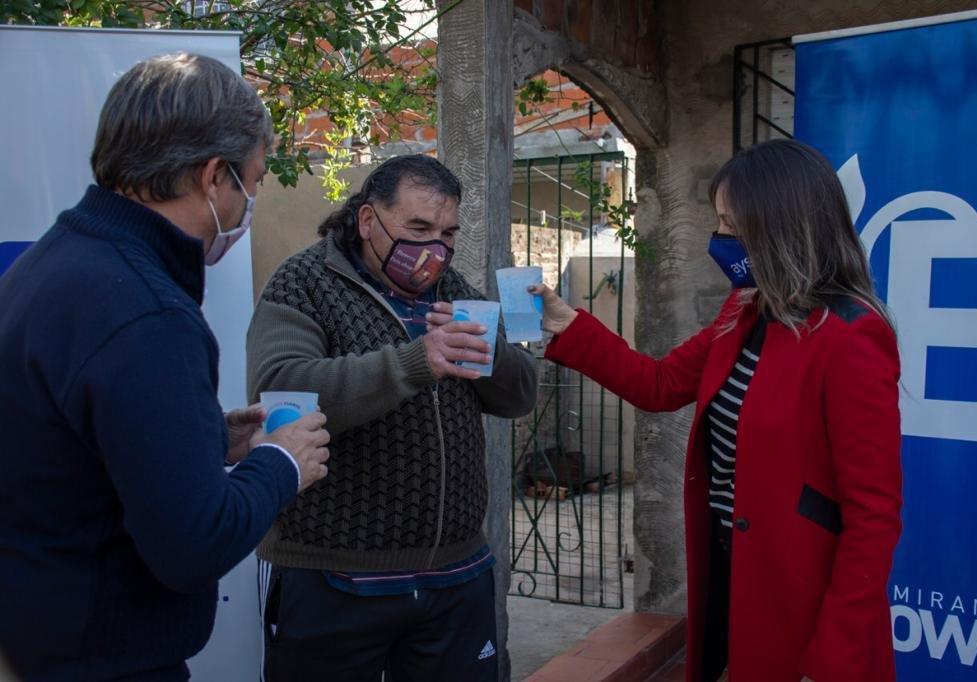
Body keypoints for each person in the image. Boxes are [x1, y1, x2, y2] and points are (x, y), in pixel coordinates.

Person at [0, 53, 331, 681]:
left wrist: (208, 439)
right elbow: (193, 544)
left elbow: (77, 448)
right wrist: (280, 464)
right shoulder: (147, 312)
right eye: (253, 183)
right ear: (213, 176)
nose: (249, 206)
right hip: (100, 662)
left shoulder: (56, 264)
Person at [531, 139, 902, 682]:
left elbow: (873, 517)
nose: (719, 238)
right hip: (733, 575)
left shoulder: (850, 335)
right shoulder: (746, 310)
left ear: (781, 228)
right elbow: (660, 384)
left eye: (731, 224)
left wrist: (834, 660)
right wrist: (571, 326)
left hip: (802, 597)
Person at [247, 154, 538, 682]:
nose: (435, 250)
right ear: (367, 220)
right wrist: (415, 362)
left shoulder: (453, 289)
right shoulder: (303, 283)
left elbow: (519, 398)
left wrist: (491, 355)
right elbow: (282, 392)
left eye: (447, 234)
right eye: (418, 229)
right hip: (335, 580)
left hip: (456, 576)